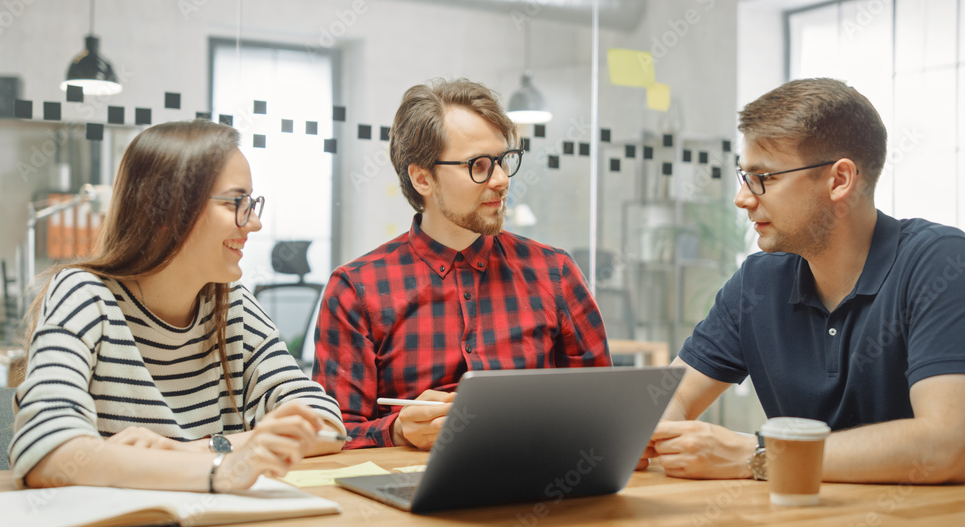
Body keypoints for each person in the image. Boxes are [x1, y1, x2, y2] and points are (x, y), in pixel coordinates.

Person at [643, 78, 965, 484]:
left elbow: (947, 445)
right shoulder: (758, 282)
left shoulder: (941, 263)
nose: (743, 198)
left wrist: (759, 455)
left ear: (839, 180)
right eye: (744, 176)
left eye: (765, 178)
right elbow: (677, 395)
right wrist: (643, 434)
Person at [9, 120, 345, 493]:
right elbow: (44, 451)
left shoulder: (233, 305)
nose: (254, 222)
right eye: (236, 202)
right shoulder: (84, 295)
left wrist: (196, 451)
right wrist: (223, 469)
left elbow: (325, 425)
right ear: (168, 212)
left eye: (251, 203)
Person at [312, 78, 611, 450]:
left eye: (503, 161)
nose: (501, 180)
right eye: (479, 165)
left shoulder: (555, 275)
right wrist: (397, 431)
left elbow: (605, 414)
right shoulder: (357, 290)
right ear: (423, 178)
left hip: (540, 492)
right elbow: (331, 435)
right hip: (408, 497)